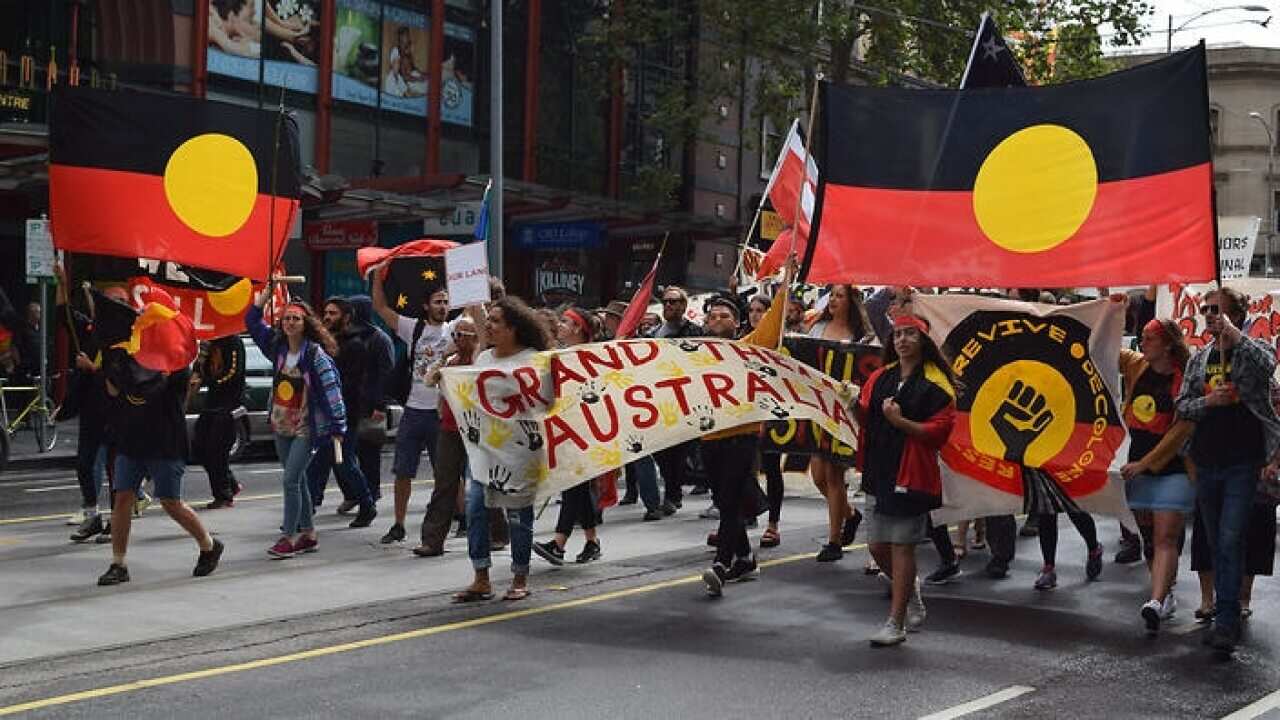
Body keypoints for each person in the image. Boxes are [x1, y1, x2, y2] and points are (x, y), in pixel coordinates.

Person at [1176, 286, 1280, 653]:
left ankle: (1226, 620)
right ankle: (1224, 609)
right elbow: (1182, 406)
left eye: (1216, 309)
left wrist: (1234, 334)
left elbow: (1267, 365)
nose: (1208, 315)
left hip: (1243, 461)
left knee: (1230, 538)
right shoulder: (1199, 359)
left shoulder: (1253, 349)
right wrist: (1209, 400)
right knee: (1215, 538)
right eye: (1205, 309)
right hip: (1207, 460)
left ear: (1235, 314)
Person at [95, 311, 223, 585]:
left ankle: (208, 545)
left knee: (170, 502)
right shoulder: (130, 358)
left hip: (165, 441)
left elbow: (150, 389)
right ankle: (118, 563)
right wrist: (109, 363)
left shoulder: (176, 366)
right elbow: (114, 391)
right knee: (122, 498)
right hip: (132, 439)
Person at [856, 315, 956, 646]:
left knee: (902, 547)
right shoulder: (880, 377)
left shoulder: (937, 384)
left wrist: (900, 422)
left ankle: (895, 623)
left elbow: (938, 433)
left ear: (923, 340)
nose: (902, 339)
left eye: (909, 334)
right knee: (877, 546)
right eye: (897, 334)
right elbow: (866, 418)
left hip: (910, 473)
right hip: (878, 470)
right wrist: (850, 404)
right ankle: (909, 590)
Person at [701, 261, 793, 598]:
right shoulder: (693, 355)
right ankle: (745, 559)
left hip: (741, 437)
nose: (717, 319)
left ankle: (721, 564)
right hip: (708, 438)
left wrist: (786, 284)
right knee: (724, 499)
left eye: (724, 316)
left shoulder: (749, 347)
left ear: (736, 323)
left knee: (729, 502)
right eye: (712, 316)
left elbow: (773, 324)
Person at [452, 296, 549, 603]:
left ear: (513, 329)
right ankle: (481, 577)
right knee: (475, 508)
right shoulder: (483, 359)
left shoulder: (535, 361)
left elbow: (549, 403)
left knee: (518, 515)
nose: (489, 327)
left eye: (495, 322)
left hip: (521, 452)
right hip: (484, 449)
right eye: (489, 320)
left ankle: (520, 577)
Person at [245, 294, 346, 559]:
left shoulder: (315, 355)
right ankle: (309, 535)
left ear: (306, 323)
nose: (290, 322)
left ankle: (289, 537)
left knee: (290, 480)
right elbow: (252, 322)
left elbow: (332, 390)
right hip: (281, 424)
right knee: (297, 479)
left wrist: (338, 426)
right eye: (286, 318)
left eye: (296, 319)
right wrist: (263, 299)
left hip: (305, 427)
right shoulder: (277, 348)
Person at [1117, 318, 1194, 633]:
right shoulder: (1136, 365)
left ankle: (1156, 599)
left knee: (1165, 537)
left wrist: (1145, 463)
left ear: (1167, 345)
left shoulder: (1186, 379)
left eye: (1149, 338)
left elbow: (1180, 432)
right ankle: (1165, 593)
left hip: (1173, 467)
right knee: (1149, 539)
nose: (1142, 343)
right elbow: (1102, 347)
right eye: (1142, 337)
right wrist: (1111, 309)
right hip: (1136, 465)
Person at [372, 270, 454, 544]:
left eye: (446, 302)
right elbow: (381, 307)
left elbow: (478, 317)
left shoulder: (454, 330)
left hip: (441, 412)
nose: (442, 307)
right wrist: (378, 276)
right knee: (403, 471)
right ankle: (398, 524)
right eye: (438, 302)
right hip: (413, 411)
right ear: (426, 305)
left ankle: (462, 518)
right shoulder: (413, 328)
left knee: (447, 472)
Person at [534, 307, 606, 565]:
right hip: (565, 429)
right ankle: (591, 541)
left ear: (577, 328)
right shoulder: (561, 355)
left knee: (573, 484)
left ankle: (559, 543)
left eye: (565, 321)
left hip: (584, 430)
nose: (560, 325)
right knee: (578, 486)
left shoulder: (590, 356)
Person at [808, 284, 873, 562]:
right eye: (831, 295)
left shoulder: (862, 336)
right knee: (818, 477)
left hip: (844, 410)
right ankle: (850, 514)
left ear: (851, 301)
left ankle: (834, 540)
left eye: (840, 295)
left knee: (834, 475)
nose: (833, 300)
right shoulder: (817, 328)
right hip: (817, 407)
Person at [306, 297, 378, 528]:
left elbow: (350, 383)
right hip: (324, 414)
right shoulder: (322, 344)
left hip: (344, 415)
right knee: (322, 464)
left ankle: (366, 504)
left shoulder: (354, 346)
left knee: (341, 462)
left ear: (346, 318)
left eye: (333, 313)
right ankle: (307, 510)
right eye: (326, 313)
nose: (327, 317)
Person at [649, 287, 703, 515]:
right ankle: (678, 488)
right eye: (665, 302)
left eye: (673, 301)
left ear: (684, 305)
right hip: (658, 400)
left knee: (679, 451)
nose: (668, 305)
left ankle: (673, 495)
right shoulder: (651, 333)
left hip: (684, 400)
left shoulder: (695, 332)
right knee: (661, 451)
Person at [347, 295, 394, 506]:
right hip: (352, 403)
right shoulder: (350, 337)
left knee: (369, 453)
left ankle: (372, 492)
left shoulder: (379, 339)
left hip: (371, 406)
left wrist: (380, 405)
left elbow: (386, 374)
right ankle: (354, 493)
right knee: (347, 454)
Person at [190, 334, 246, 510]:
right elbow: (199, 367)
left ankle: (223, 494)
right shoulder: (208, 343)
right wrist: (197, 373)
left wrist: (206, 380)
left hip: (229, 403)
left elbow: (232, 374)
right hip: (211, 402)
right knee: (199, 446)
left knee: (217, 449)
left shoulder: (234, 342)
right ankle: (231, 483)